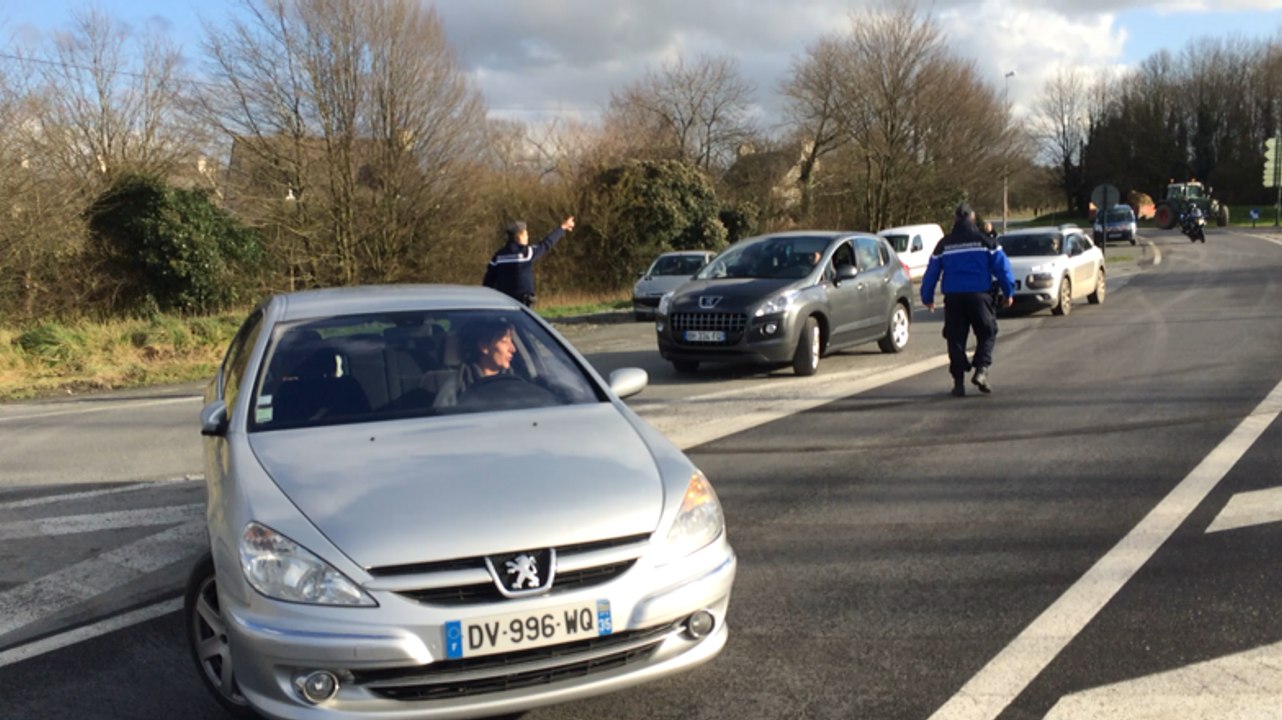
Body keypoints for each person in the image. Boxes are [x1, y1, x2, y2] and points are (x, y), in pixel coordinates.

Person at [920, 202, 1015, 397]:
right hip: (980, 296)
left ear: (954, 220)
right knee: (988, 331)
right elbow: (1003, 269)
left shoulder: (944, 244)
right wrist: (1008, 292)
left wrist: (927, 297)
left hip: (954, 298)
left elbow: (931, 273)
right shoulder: (985, 242)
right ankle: (981, 369)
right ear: (973, 219)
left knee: (955, 339)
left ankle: (958, 383)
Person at [482, 216, 575, 306]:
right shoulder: (526, 253)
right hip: (523, 304)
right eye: (526, 234)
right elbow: (546, 244)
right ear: (519, 236)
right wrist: (562, 228)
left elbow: (488, 281)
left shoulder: (498, 256)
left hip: (503, 304)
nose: (528, 237)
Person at [432, 318, 519, 409]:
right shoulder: (454, 389)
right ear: (484, 347)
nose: (513, 348)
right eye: (504, 341)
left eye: (511, 341)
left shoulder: (517, 383)